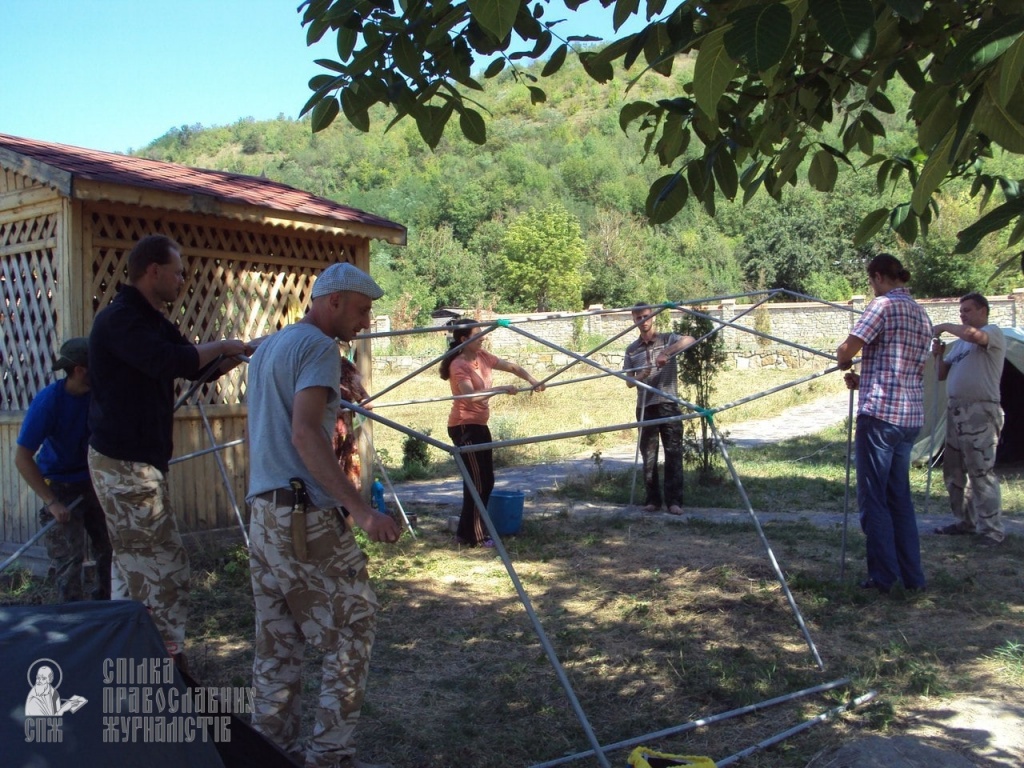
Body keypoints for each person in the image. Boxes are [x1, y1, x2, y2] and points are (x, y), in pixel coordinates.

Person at [246, 261, 401, 768]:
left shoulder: (269, 347)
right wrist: (359, 511)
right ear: (332, 301)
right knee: (354, 626)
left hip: (264, 515)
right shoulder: (317, 347)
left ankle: (270, 754)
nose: (365, 320)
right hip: (302, 515)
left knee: (278, 644)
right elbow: (305, 433)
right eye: (361, 309)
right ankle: (330, 756)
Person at [87, 234, 252, 667]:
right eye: (177, 271)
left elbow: (192, 363)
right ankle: (162, 657)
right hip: (123, 464)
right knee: (165, 566)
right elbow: (168, 361)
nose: (183, 279)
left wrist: (239, 353)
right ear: (153, 271)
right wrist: (221, 346)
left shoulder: (153, 320)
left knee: (131, 567)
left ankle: (126, 652)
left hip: (139, 464)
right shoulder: (120, 320)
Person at [837, 253, 932, 594]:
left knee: (874, 499)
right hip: (907, 418)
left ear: (878, 277)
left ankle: (882, 578)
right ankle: (913, 578)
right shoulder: (922, 314)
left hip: (879, 419)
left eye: (870, 281)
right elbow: (907, 369)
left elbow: (848, 349)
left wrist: (842, 358)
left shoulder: (882, 306)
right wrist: (864, 380)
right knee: (899, 500)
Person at [15, 337, 112, 602]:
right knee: (70, 559)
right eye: (97, 365)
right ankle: (71, 622)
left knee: (110, 547)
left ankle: (107, 609)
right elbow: (22, 458)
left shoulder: (101, 395)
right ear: (80, 369)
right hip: (60, 486)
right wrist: (52, 502)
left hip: (95, 480)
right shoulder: (49, 403)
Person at [440, 318, 545, 547]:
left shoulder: (483, 357)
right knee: (478, 482)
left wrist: (532, 380)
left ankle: (464, 533)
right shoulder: (459, 365)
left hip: (479, 426)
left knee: (486, 480)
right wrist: (499, 389)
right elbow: (471, 397)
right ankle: (475, 536)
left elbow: (512, 367)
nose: (483, 337)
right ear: (464, 340)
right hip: (463, 427)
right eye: (478, 335)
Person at [932, 292, 1007, 546]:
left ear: (983, 311)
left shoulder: (992, 332)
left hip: (980, 412)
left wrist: (943, 326)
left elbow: (972, 334)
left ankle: (992, 531)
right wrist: (939, 354)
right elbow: (941, 374)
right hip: (955, 412)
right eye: (961, 311)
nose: (963, 315)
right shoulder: (961, 345)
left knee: (980, 471)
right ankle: (966, 521)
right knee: (953, 471)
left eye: (968, 310)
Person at [622, 303, 695, 515]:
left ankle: (674, 502)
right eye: (638, 319)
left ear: (652, 316)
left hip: (668, 403)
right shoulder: (632, 350)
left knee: (673, 452)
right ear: (633, 320)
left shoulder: (667, 339)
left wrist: (667, 352)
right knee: (649, 455)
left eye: (646, 316)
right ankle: (653, 500)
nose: (643, 322)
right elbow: (628, 382)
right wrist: (640, 376)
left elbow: (689, 340)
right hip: (645, 406)